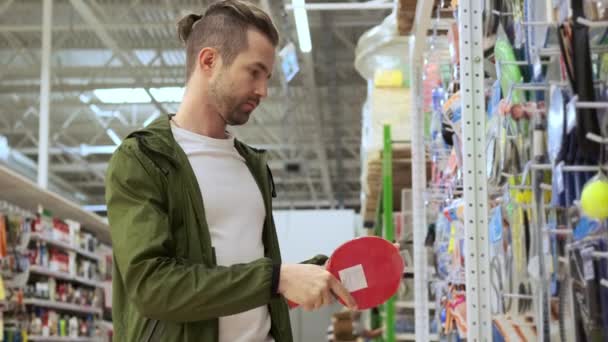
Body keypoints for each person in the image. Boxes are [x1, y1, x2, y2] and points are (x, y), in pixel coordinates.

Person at [104, 1, 357, 341]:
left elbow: (245, 271)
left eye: (267, 77)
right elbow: (152, 287)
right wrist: (277, 278)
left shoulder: (250, 164)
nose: (263, 91)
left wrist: (309, 274)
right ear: (209, 61)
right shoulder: (143, 159)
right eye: (254, 72)